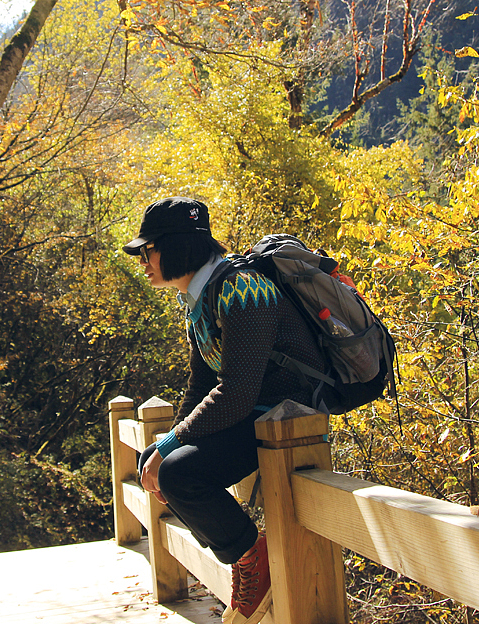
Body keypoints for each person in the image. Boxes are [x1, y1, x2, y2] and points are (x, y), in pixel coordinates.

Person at [122, 197, 333, 624]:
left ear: (179, 246)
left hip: (285, 417)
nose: (142, 260)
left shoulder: (241, 287)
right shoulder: (199, 297)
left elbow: (235, 391)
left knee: (179, 472)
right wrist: (161, 446)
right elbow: (202, 385)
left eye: (148, 250)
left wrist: (170, 443)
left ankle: (253, 557)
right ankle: (246, 557)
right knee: (160, 464)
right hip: (254, 415)